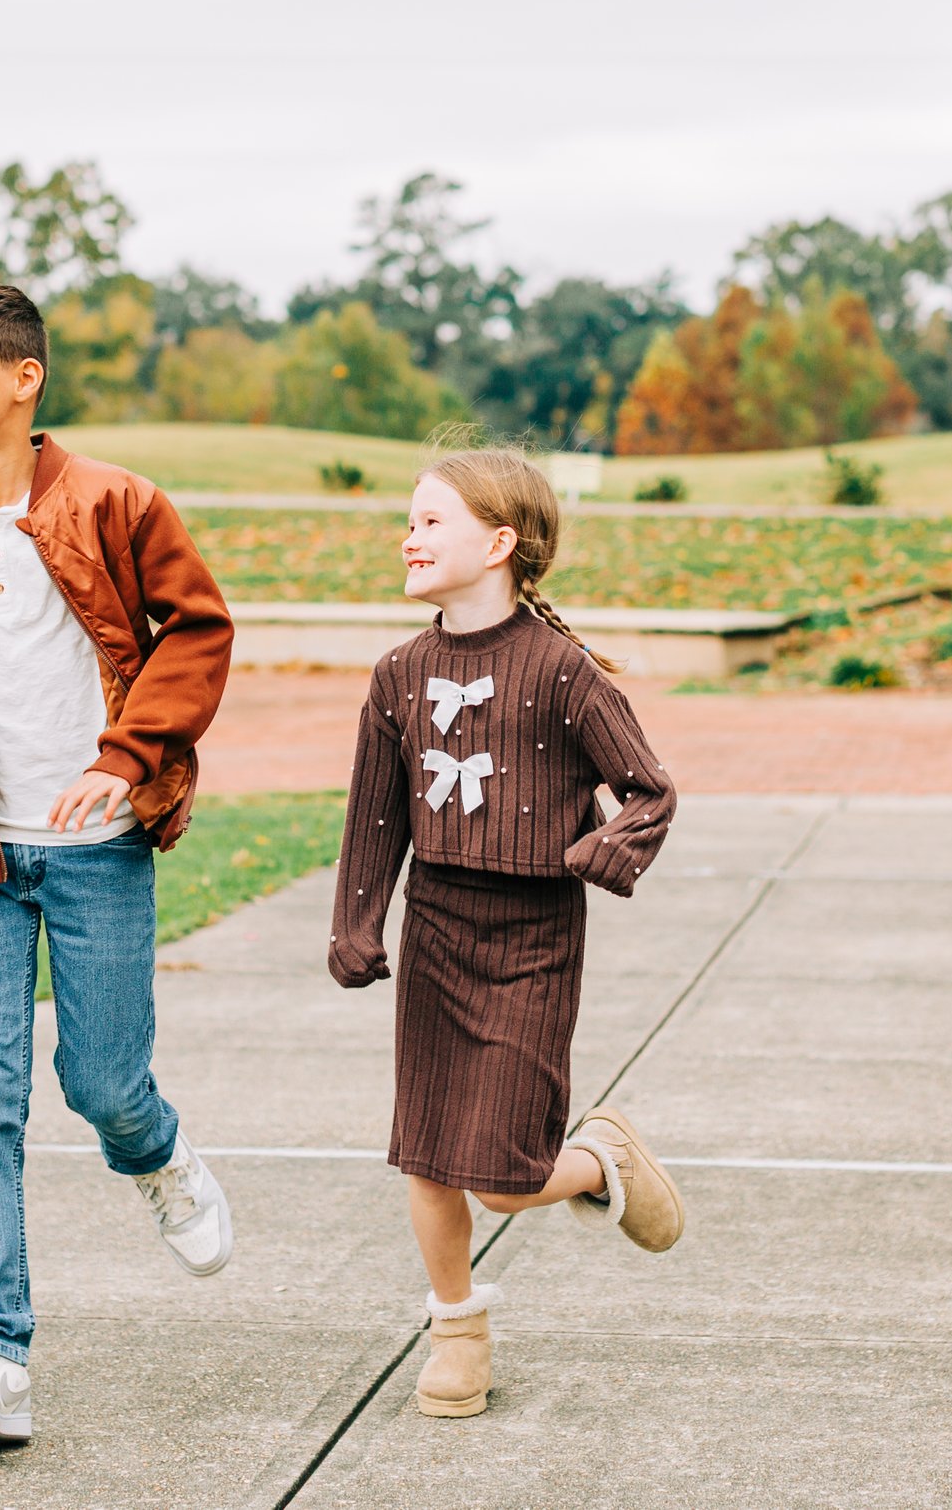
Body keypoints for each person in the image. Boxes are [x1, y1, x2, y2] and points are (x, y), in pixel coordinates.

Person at [0, 280, 235, 1447]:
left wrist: (129, 759)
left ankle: (160, 1154)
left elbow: (197, 628)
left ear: (23, 380)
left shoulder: (115, 502)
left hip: (93, 845)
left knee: (103, 1084)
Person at [327, 446, 686, 1420]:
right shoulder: (398, 674)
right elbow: (375, 814)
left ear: (500, 542)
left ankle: (597, 1160)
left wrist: (606, 851)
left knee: (508, 1176)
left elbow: (649, 789)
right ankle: (457, 1330)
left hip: (531, 936)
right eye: (410, 518)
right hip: (436, 926)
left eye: (431, 520)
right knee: (429, 1152)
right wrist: (357, 920)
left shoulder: (562, 674)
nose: (409, 535)